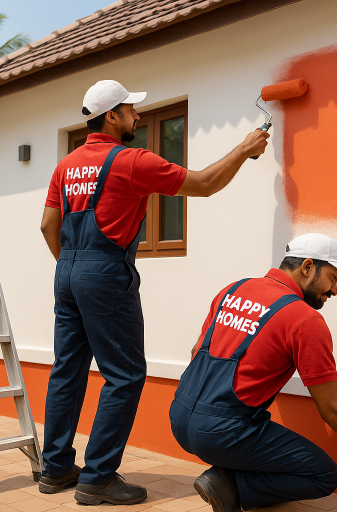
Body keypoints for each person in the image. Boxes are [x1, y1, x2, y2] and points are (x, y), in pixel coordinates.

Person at [39, 80, 270, 505]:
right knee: (124, 376)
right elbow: (202, 184)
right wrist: (243, 149)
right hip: (104, 273)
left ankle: (55, 469)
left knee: (67, 370)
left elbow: (47, 227)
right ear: (112, 115)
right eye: (130, 109)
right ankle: (98, 479)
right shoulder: (130, 161)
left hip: (68, 270)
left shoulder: (66, 166)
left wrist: (72, 269)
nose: (138, 116)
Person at [169, 233, 337, 512]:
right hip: (220, 433)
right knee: (322, 475)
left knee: (242, 431)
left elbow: (196, 351)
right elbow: (334, 410)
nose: (334, 291)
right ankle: (228, 483)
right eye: (333, 278)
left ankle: (226, 474)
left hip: (179, 419)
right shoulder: (304, 319)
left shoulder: (233, 290)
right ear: (307, 267)